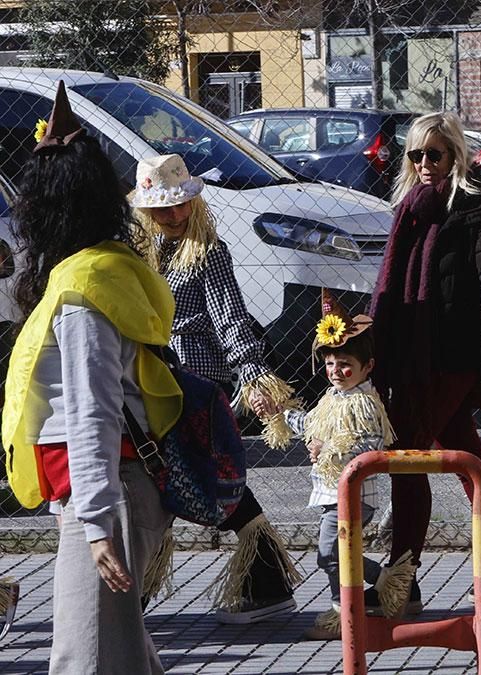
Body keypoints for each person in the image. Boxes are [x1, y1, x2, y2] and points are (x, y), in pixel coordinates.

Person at [1, 82, 176, 673]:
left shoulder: (82, 292)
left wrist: (97, 525)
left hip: (106, 497)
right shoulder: (101, 271)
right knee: (122, 658)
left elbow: (92, 411)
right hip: (105, 493)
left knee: (82, 659)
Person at [372, 111, 481, 607]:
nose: (425, 164)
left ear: (456, 155)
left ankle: (402, 578)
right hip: (413, 356)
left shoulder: (475, 205)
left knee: (406, 457)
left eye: (435, 154)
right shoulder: (409, 207)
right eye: (416, 155)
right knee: (469, 457)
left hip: (450, 356)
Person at [130, 154, 301, 624]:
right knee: (174, 480)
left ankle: (135, 604)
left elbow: (230, 321)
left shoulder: (209, 252)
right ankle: (266, 584)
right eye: (163, 209)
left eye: (183, 204)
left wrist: (254, 376)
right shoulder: (135, 254)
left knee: (180, 480)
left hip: (197, 386)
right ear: (145, 211)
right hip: (149, 381)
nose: (176, 215)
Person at [253, 290, 410, 639]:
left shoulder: (365, 403)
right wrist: (280, 412)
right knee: (338, 555)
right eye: (330, 365)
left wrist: (329, 450)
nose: (336, 372)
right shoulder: (336, 397)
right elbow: (313, 426)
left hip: (353, 494)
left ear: (367, 367)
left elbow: (369, 446)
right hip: (334, 493)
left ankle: (344, 615)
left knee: (330, 555)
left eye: (345, 366)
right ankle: (383, 583)